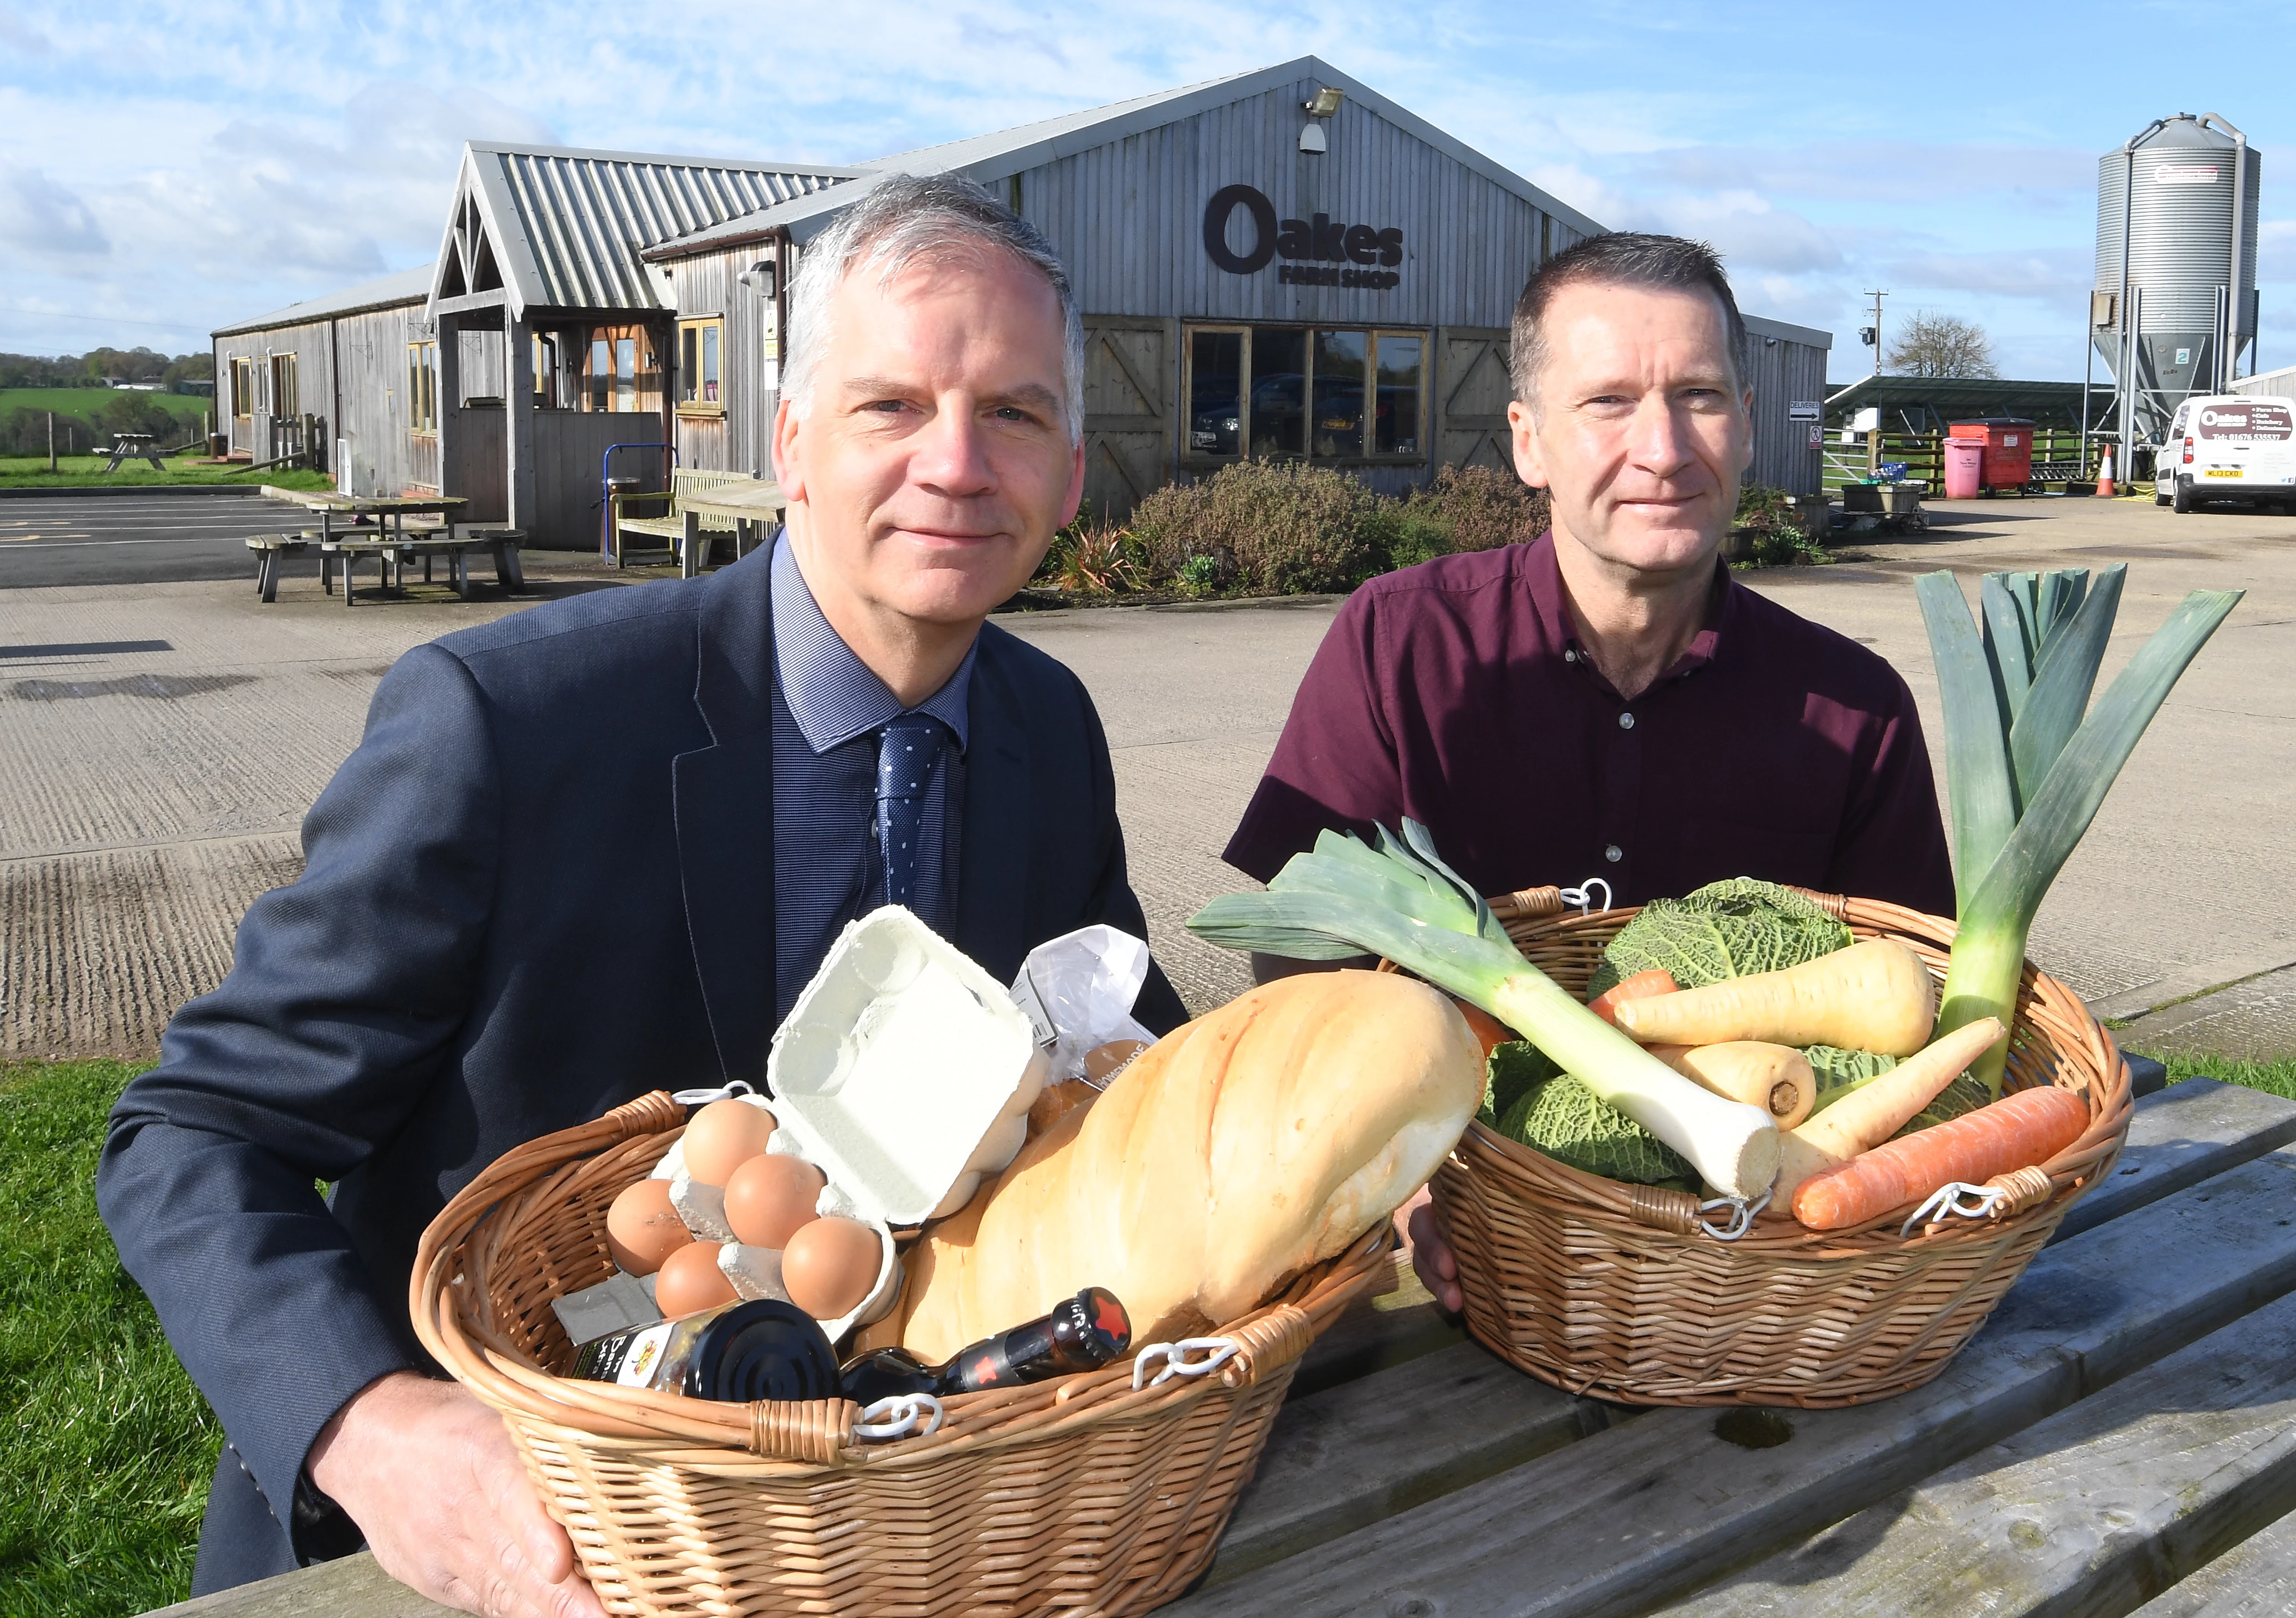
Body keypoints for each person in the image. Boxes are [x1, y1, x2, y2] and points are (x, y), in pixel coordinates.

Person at [99, 173, 1189, 1613]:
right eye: (891, 407)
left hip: (887, 1518)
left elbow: (1136, 1054)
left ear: (1068, 467)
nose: (956, 463)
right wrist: (374, 1428)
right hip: (511, 1529)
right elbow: (193, 1134)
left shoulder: (1047, 727)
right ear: (792, 443)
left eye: (1016, 412)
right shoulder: (510, 723)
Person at [1219, 232, 1955, 1304]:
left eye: (1698, 396)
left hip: (1771, 1254)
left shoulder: (1854, 706)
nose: (1661, 447)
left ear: (1746, 425)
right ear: (1527, 441)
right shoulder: (1399, 643)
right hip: (1457, 1215)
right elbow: (1299, 964)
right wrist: (1402, 1178)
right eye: (1606, 401)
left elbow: (1905, 1005)